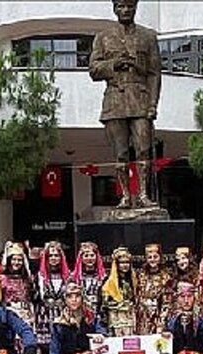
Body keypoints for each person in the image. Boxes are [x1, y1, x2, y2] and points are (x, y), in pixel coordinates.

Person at [88, 0, 162, 208]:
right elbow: (93, 70)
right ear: (114, 9)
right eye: (121, 6)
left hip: (140, 98)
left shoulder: (148, 36)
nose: (125, 10)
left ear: (135, 8)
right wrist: (114, 64)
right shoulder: (103, 37)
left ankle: (143, 195)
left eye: (129, 6)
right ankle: (126, 196)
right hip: (115, 99)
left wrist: (153, 104)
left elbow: (155, 74)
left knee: (143, 149)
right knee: (120, 153)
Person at [34, 241, 70, 354]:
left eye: (57, 255)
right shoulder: (40, 277)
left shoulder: (68, 276)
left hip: (62, 313)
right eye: (51, 256)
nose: (54, 258)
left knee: (62, 344)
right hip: (45, 314)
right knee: (46, 345)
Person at [100, 247, 138, 337]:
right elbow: (104, 304)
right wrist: (119, 304)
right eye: (122, 263)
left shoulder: (134, 280)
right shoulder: (108, 282)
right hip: (116, 318)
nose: (125, 265)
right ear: (116, 264)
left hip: (131, 317)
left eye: (127, 262)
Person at [0, 241, 36, 330]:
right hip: (8, 314)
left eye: (19, 260)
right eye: (14, 259)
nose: (16, 262)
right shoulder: (1, 278)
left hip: (25, 314)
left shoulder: (27, 279)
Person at [136, 243, 173, 334]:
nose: (152, 259)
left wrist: (160, 324)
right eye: (150, 257)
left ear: (160, 258)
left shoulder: (165, 277)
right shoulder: (141, 275)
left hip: (156, 317)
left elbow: (166, 304)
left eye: (155, 257)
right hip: (141, 318)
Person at [71, 241, 107, 312]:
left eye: (92, 255)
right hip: (80, 312)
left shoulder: (103, 277)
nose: (89, 258)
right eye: (86, 256)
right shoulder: (74, 278)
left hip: (98, 312)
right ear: (81, 258)